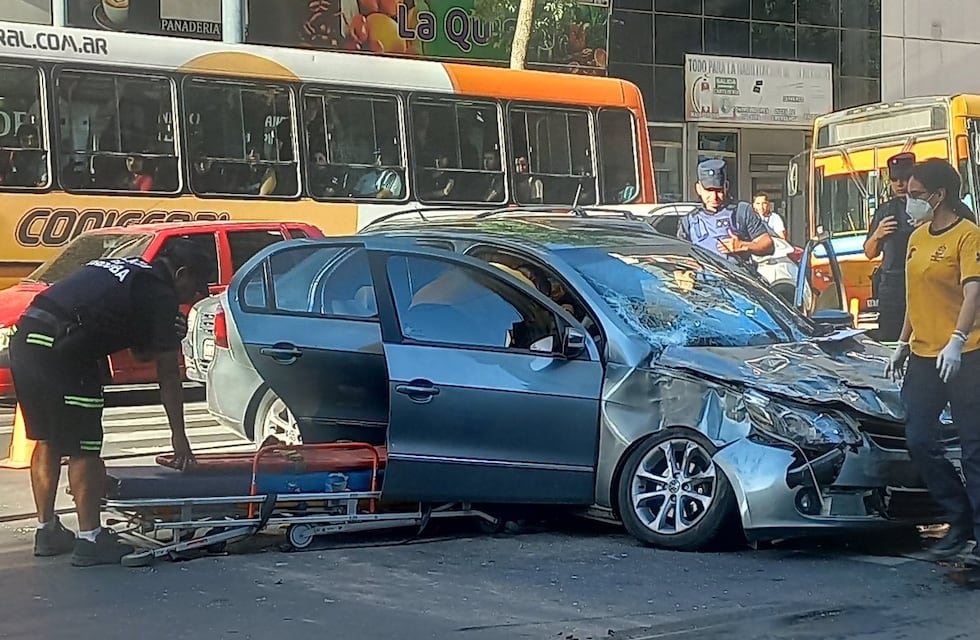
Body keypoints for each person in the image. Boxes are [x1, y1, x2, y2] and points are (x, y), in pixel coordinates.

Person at [9, 239, 211, 567]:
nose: (196, 295)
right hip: (66, 353)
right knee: (84, 447)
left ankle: (47, 530)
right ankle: (91, 540)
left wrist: (165, 333)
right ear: (181, 274)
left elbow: (138, 352)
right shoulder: (159, 295)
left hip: (28, 340)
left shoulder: (127, 268)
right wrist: (179, 436)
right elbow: (167, 375)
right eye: (197, 286)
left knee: (47, 439)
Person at [885, 158, 980, 563]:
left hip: (966, 355)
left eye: (917, 195)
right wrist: (902, 343)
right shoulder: (917, 237)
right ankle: (958, 518)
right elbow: (915, 296)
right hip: (924, 356)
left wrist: (957, 339)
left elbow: (974, 292)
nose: (910, 201)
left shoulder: (968, 236)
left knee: (975, 448)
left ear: (939, 196)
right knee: (920, 440)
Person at [678, 159, 774, 273]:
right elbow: (680, 258)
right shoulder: (688, 221)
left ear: (726, 186)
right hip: (705, 287)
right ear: (698, 188)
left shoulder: (741, 211)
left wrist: (743, 245)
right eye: (709, 190)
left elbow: (767, 244)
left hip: (737, 284)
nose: (714, 197)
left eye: (719, 190)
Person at [864, 152, 917, 342]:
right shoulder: (886, 210)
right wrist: (878, 234)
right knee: (891, 338)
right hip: (892, 286)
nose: (900, 184)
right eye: (895, 179)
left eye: (904, 178)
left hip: (921, 282)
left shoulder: (926, 205)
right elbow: (869, 252)